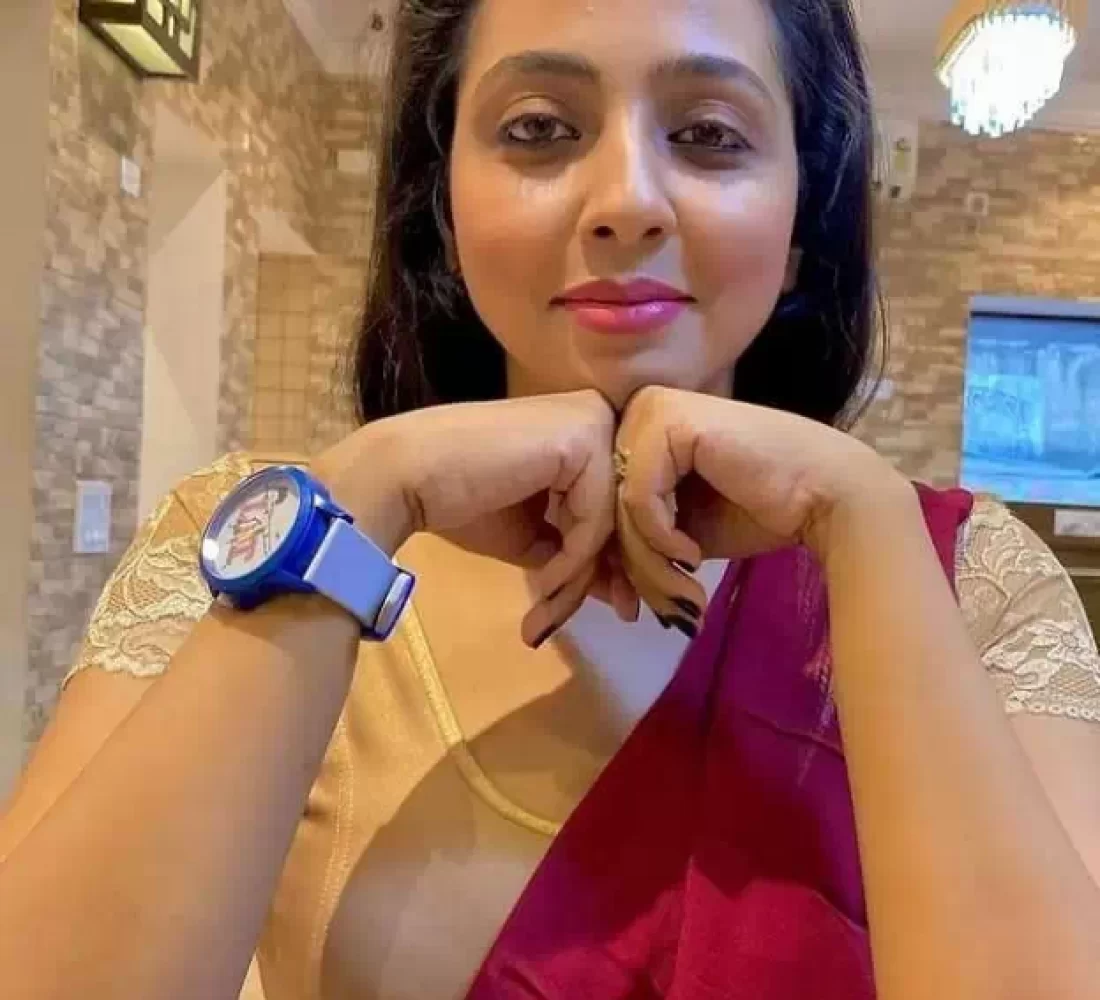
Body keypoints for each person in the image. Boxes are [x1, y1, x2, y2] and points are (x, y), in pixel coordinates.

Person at [2, 0, 1100, 997]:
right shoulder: (252, 540)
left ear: (803, 207)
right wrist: (366, 496)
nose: (625, 201)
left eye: (707, 134)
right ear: (442, 198)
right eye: (538, 128)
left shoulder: (975, 584)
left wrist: (863, 524)